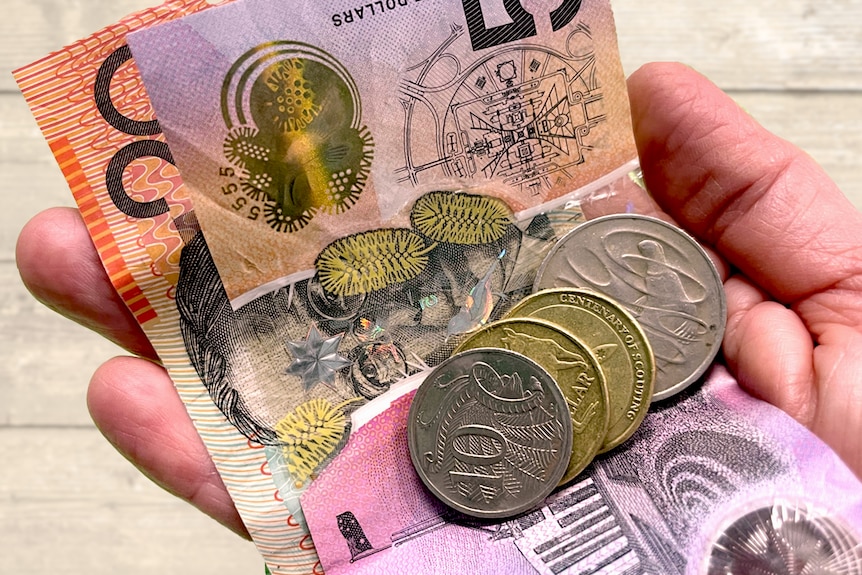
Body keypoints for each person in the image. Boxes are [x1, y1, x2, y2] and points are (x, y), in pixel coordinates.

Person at [15, 62, 862, 540]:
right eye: (356, 376)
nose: (385, 336)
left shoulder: (557, 211)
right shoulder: (490, 431)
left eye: (333, 306)